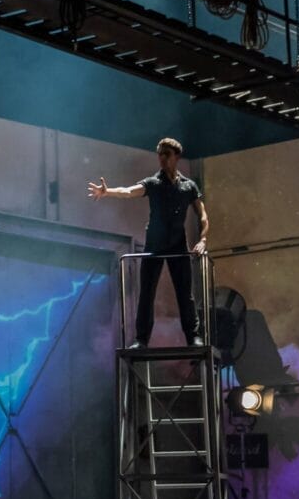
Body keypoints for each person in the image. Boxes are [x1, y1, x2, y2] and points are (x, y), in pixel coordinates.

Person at [87, 138, 209, 348]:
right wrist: (107, 192)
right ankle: (141, 339)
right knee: (147, 293)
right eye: (160, 154)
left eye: (166, 154)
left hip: (178, 245)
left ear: (176, 157)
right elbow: (129, 191)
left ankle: (193, 337)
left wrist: (203, 239)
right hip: (154, 244)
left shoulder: (188, 186)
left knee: (185, 295)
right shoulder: (154, 183)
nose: (162, 158)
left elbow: (203, 215)